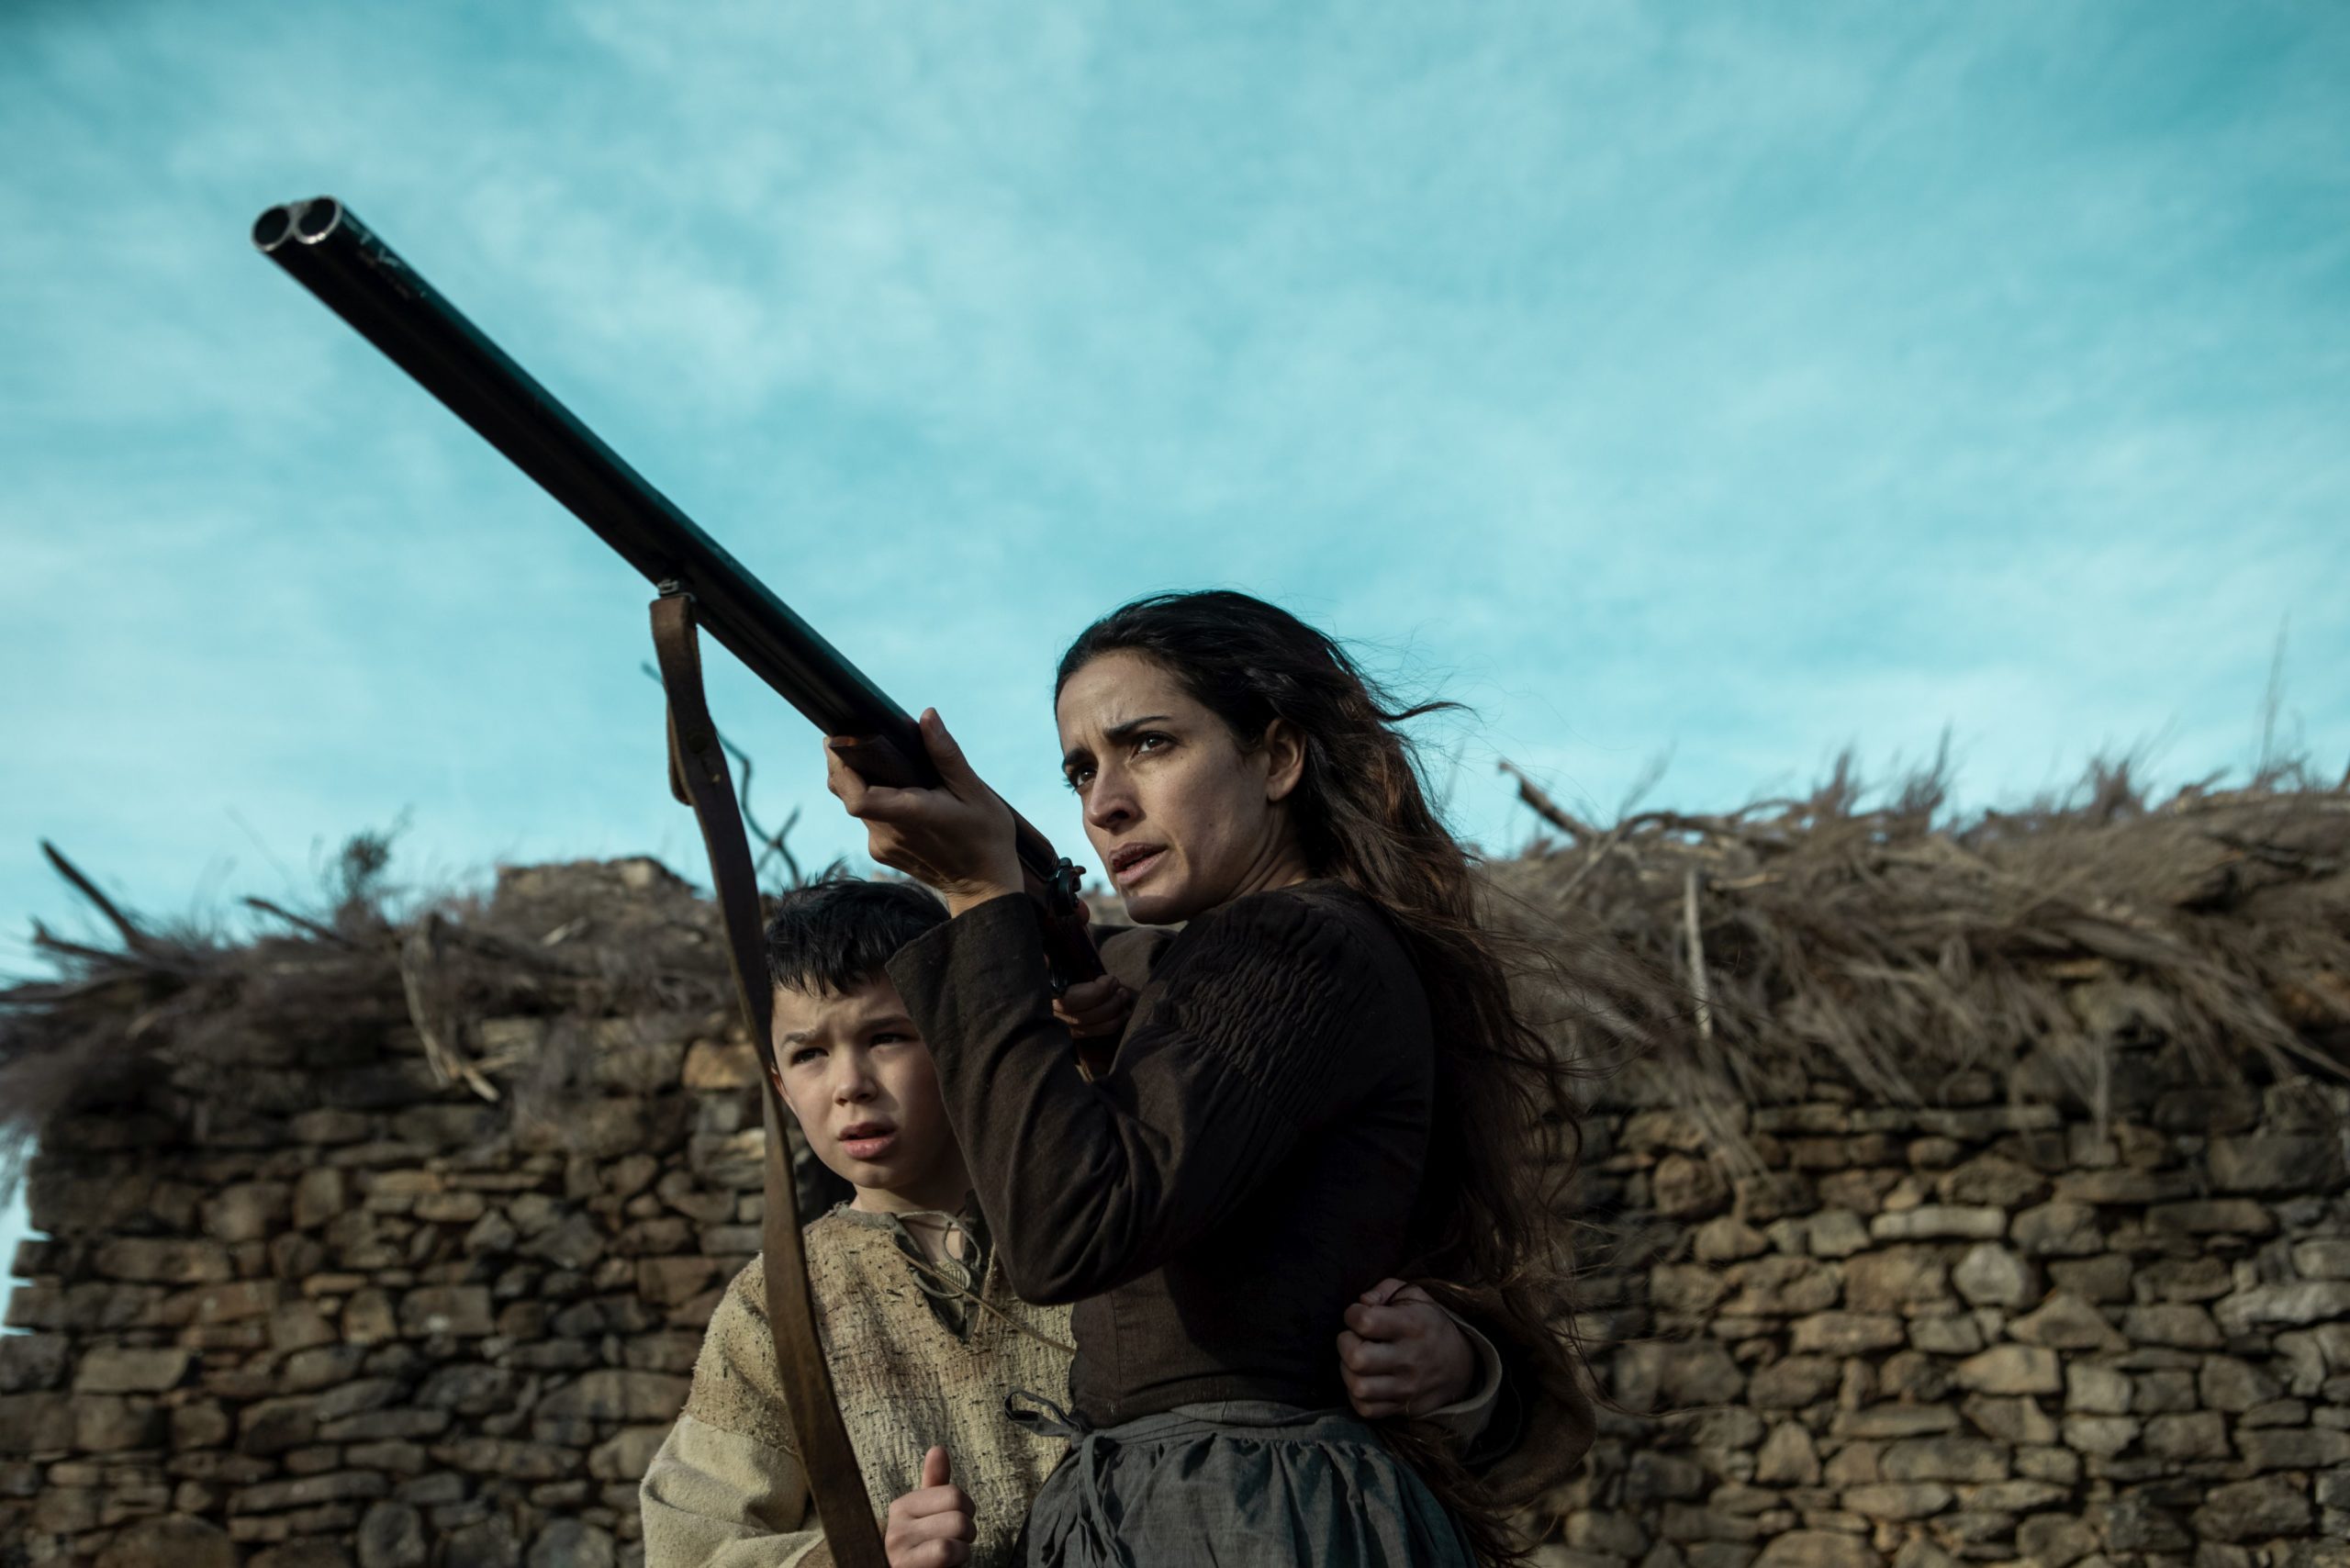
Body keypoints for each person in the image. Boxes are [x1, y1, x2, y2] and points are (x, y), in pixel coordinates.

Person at [825, 590, 1595, 1566]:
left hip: (1252, 1511)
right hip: (1179, 1507)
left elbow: (1064, 1234)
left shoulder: (1299, 944)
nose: (1103, 803)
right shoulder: (1197, 970)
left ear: (1277, 758)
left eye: (1148, 744)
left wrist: (981, 897)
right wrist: (1095, 1030)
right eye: (1080, 770)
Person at [638, 877, 1508, 1568]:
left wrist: (1460, 1373)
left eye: (889, 1037)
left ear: (966, 1040)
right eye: (809, 1053)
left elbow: (1292, 1404)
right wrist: (861, 1555)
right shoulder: (777, 1304)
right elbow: (687, 1543)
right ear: (780, 1085)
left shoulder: (1119, 1210)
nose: (849, 1085)